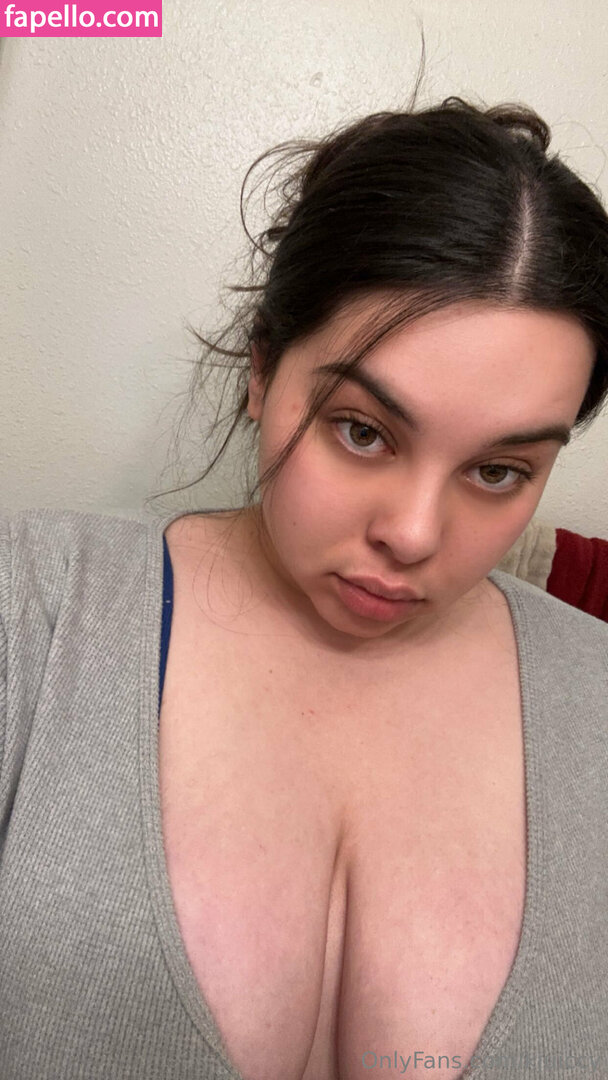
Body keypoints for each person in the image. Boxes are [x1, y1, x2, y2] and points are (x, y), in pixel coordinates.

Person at [1, 97, 607, 1080]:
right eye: (362, 431)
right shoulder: (34, 609)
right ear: (260, 371)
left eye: (498, 471)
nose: (414, 533)